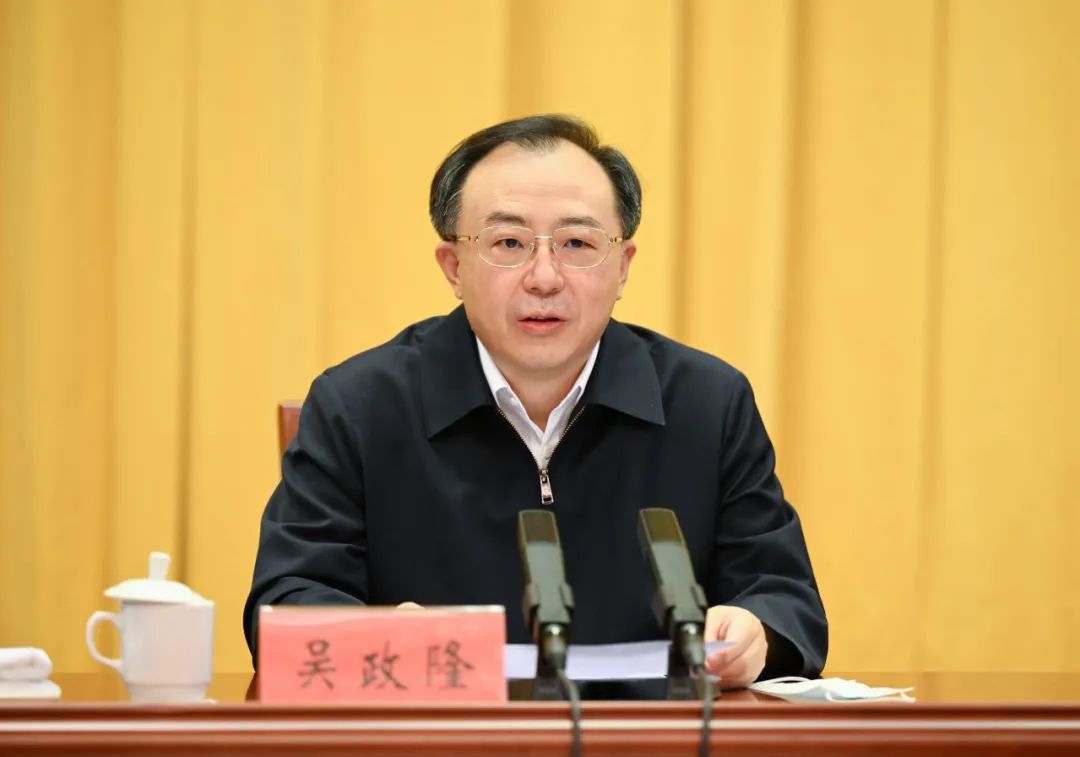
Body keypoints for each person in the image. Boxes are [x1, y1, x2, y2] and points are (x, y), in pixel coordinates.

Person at [244, 114, 827, 690]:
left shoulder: (708, 404)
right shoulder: (359, 406)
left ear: (622, 266)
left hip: (647, 735)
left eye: (577, 243)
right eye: (509, 243)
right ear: (453, 266)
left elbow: (783, 597)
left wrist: (755, 633)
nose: (544, 277)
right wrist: (381, 637)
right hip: (442, 733)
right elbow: (288, 601)